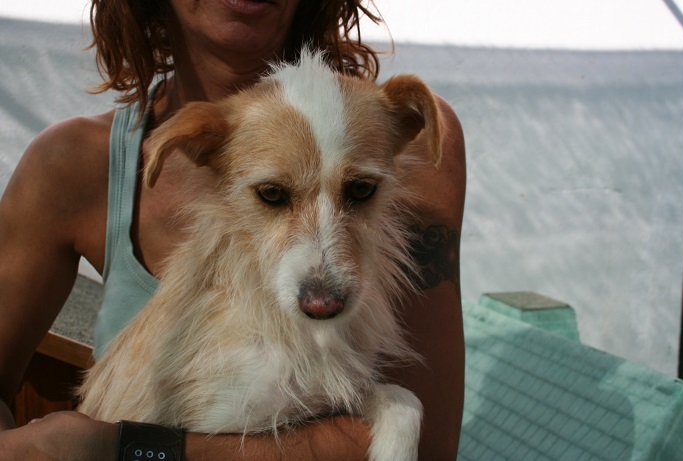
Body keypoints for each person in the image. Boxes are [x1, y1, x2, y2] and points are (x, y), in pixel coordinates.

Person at [0, 0, 466, 459]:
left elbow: (432, 447)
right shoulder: (70, 161)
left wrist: (119, 448)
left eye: (360, 190)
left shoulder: (401, 128)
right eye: (272, 195)